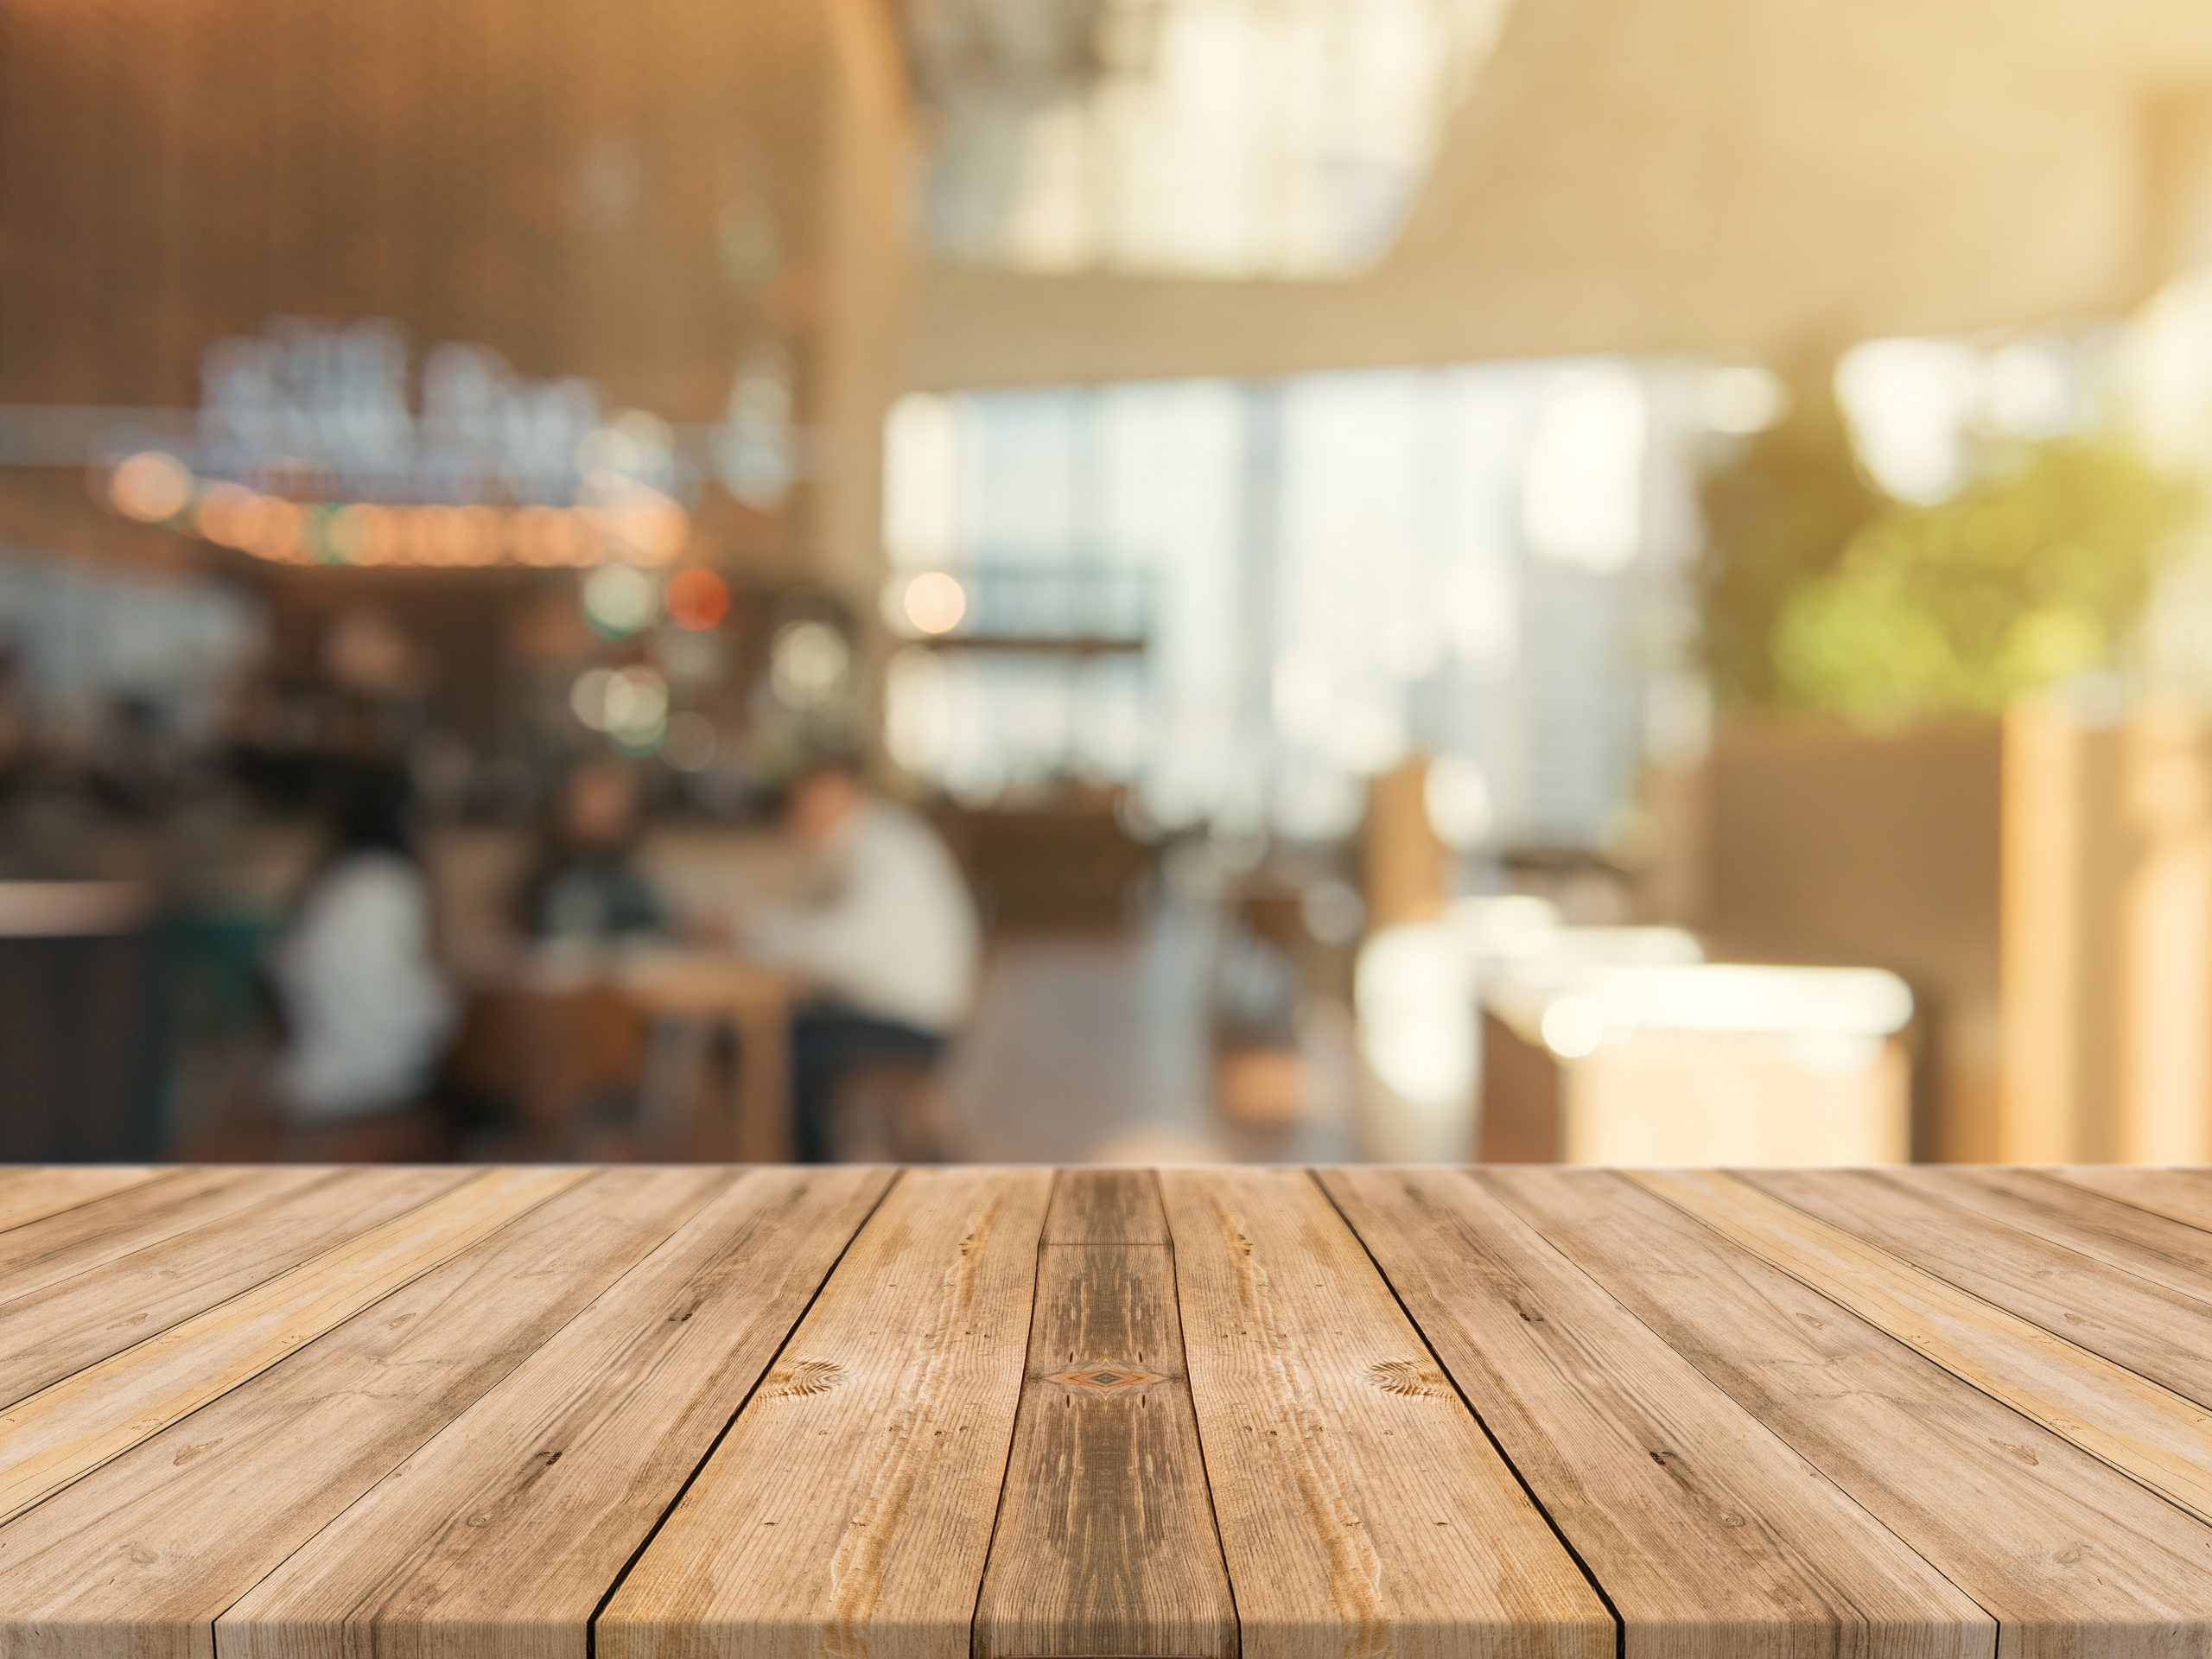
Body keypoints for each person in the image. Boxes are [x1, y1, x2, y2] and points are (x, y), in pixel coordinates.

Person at [743, 754, 981, 1161]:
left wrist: (754, 933)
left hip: (910, 1019)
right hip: (906, 1009)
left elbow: (841, 948)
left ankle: (814, 1181)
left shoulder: (877, 847)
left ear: (846, 792)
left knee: (785, 1051)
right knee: (783, 1036)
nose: (801, 813)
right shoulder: (874, 840)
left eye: (811, 799)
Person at [268, 761, 455, 1147]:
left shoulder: (332, 882)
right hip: (372, 1078)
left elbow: (282, 970)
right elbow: (404, 1003)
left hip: (308, 1072)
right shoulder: (391, 884)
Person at [515, 756, 665, 945]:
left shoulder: (630, 883)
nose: (596, 810)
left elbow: (654, 929)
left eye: (608, 799)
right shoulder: (542, 877)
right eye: (587, 798)